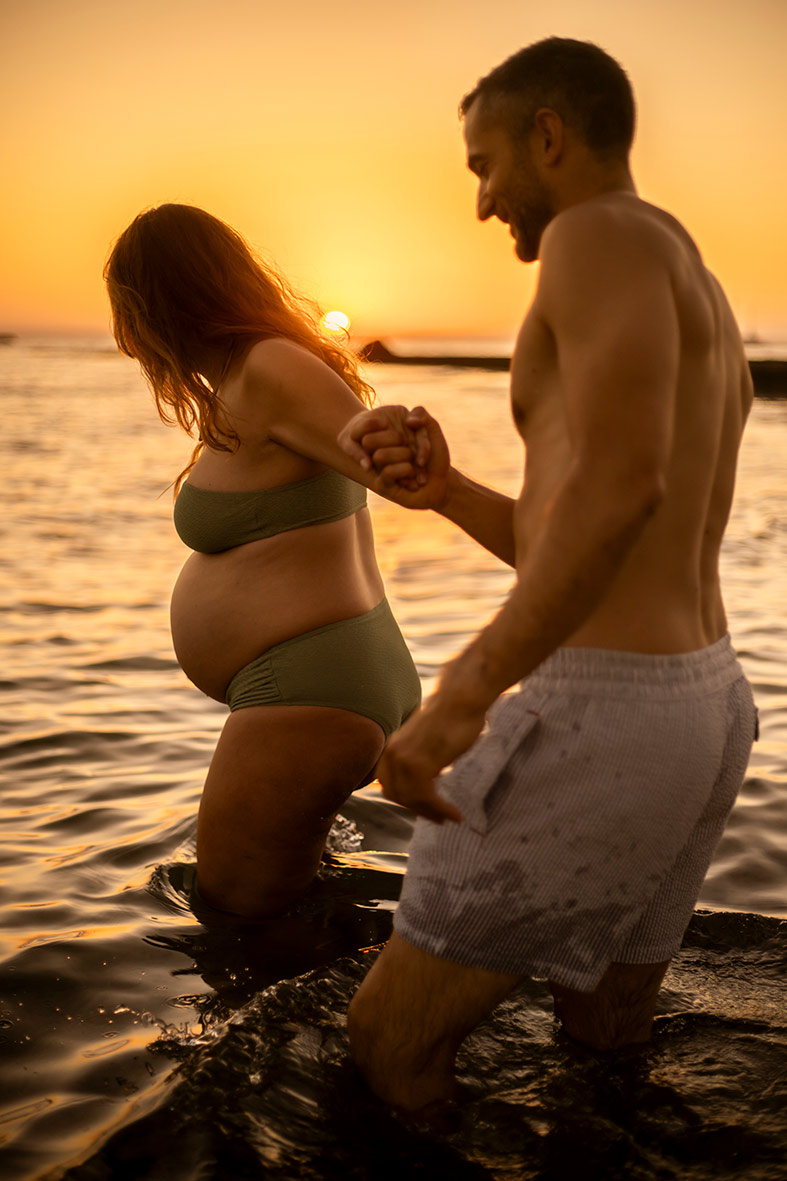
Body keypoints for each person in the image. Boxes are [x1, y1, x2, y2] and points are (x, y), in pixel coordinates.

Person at [339, 37, 758, 1111]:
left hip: (603, 711)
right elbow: (595, 534)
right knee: (603, 1035)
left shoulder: (593, 234)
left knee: (387, 1042)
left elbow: (620, 491)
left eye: (484, 165)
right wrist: (449, 493)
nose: (481, 200)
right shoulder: (692, 278)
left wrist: (460, 698)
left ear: (549, 136)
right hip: (702, 705)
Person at [104, 203, 426, 918]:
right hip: (321, 680)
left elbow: (401, 474)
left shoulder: (270, 365)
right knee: (300, 912)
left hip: (310, 686)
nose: (128, 340)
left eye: (128, 315)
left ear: (158, 305)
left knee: (236, 920)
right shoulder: (248, 380)